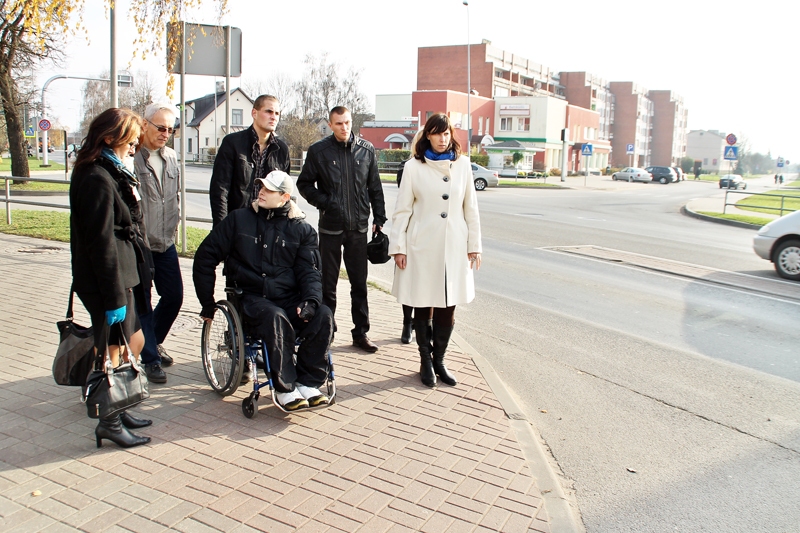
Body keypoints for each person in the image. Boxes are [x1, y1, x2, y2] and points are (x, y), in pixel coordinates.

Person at [193, 171, 333, 410]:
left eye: (268, 189)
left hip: (289, 298)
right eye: (260, 187)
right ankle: (284, 388)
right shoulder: (238, 220)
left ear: (285, 197)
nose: (261, 192)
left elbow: (310, 271)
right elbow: (205, 256)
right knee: (274, 318)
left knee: (323, 315)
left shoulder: (302, 230)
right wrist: (207, 301)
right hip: (251, 298)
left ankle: (308, 383)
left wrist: (310, 300)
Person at [70, 108, 153, 448]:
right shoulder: (95, 178)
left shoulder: (112, 170)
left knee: (134, 343)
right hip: (108, 281)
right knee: (113, 351)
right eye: (131, 138)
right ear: (109, 137)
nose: (136, 143)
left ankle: (122, 403)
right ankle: (110, 420)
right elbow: (100, 242)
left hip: (123, 275)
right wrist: (114, 298)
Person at [389, 113, 482, 388]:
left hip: (454, 246)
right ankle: (425, 360)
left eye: (446, 133)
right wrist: (399, 247)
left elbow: (471, 208)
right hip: (421, 246)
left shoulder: (463, 165)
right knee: (423, 302)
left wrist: (474, 246)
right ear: (427, 135)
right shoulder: (413, 167)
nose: (442, 139)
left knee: (448, 304)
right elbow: (402, 210)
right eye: (436, 133)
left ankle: (440, 359)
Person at [297, 106, 387, 353]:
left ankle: (361, 333)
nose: (344, 128)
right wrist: (326, 202)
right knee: (328, 286)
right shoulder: (319, 151)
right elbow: (304, 184)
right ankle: (326, 333)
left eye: (347, 122)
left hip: (358, 229)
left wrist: (379, 217)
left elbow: (375, 187)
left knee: (359, 284)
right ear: (330, 124)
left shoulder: (366, 150)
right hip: (330, 229)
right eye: (338, 124)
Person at [133, 101, 183, 384]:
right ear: (145, 124)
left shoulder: (172, 158)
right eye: (161, 127)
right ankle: (149, 359)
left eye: (170, 129)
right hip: (140, 245)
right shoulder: (132, 156)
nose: (166, 133)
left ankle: (152, 342)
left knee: (174, 296)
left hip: (165, 242)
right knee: (143, 303)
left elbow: (173, 197)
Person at [209, 94, 290, 227]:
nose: (274, 117)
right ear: (254, 113)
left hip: (268, 226)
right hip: (237, 223)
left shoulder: (281, 149)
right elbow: (220, 189)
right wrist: (222, 228)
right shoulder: (233, 143)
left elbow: (283, 193)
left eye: (277, 113)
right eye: (268, 111)